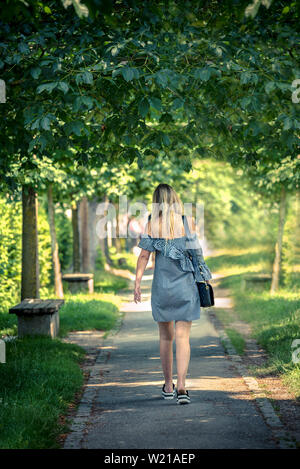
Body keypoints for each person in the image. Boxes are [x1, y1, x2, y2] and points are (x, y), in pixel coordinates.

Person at [134, 183, 212, 405]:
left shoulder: (151, 224)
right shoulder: (188, 222)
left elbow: (143, 257)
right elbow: (197, 254)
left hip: (162, 288)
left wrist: (137, 283)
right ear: (175, 199)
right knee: (183, 338)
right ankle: (182, 388)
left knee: (165, 337)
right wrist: (204, 276)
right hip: (186, 288)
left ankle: (168, 386)